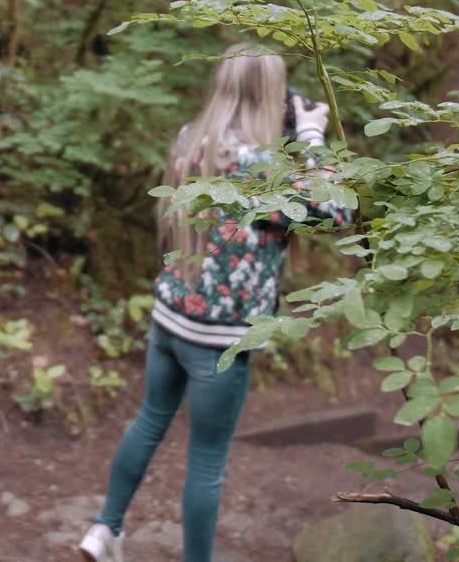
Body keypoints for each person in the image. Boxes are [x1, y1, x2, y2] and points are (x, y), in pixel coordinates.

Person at [78, 44, 352, 562]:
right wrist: (312, 134)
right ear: (269, 95)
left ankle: (104, 528)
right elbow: (337, 210)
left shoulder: (192, 140)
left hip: (170, 317)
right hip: (219, 341)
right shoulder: (262, 167)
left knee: (149, 421)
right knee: (206, 459)